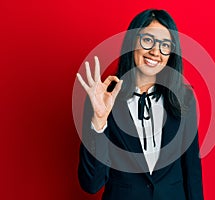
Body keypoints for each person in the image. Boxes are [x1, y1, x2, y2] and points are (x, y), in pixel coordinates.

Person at [76, 9, 204, 200]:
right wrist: (99, 122)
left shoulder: (183, 98)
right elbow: (91, 184)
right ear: (132, 42)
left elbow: (192, 172)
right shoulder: (104, 96)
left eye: (165, 45)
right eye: (147, 40)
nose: (155, 52)